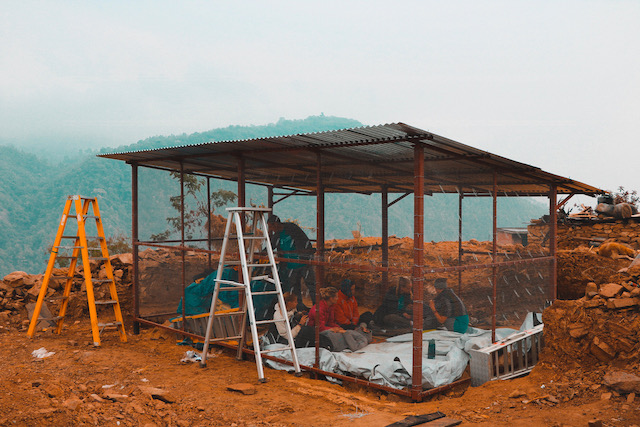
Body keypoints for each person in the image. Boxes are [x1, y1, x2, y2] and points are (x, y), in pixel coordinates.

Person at [267, 215, 316, 310]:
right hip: (290, 266)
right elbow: (270, 246)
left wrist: (306, 254)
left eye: (271, 227)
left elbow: (304, 242)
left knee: (311, 285)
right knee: (295, 289)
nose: (271, 229)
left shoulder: (291, 228)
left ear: (276, 224)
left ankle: (316, 307)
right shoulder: (277, 235)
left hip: (303, 263)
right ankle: (300, 308)